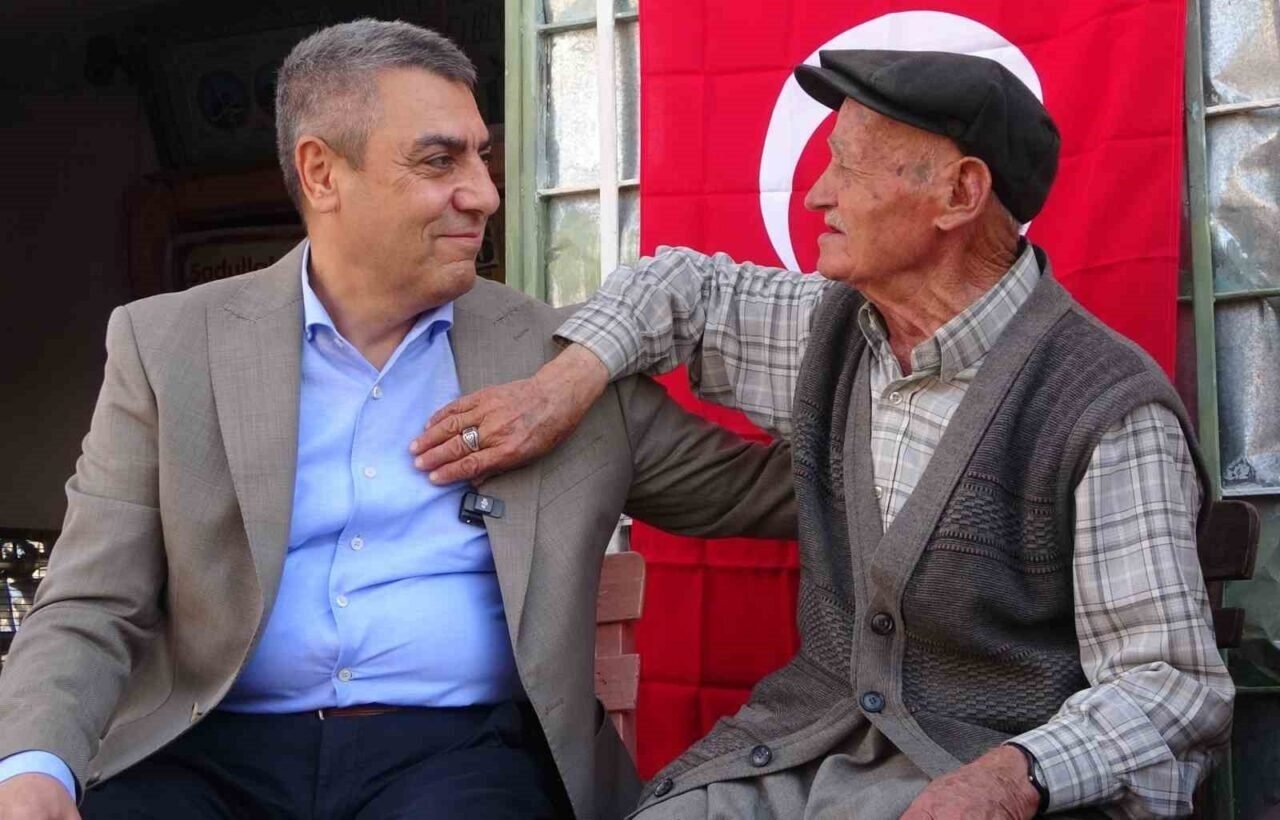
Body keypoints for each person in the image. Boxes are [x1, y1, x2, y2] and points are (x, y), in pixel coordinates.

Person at [0, 20, 796, 820]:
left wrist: (856, 340)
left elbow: (787, 491)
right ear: (322, 173)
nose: (483, 193)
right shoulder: (170, 346)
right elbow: (91, 601)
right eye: (439, 161)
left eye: (481, 156)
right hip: (205, 757)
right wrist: (33, 769)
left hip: (458, 760)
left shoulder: (556, 369)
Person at [414, 50, 1234, 819]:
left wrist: (1013, 778)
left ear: (959, 194)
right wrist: (560, 387)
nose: (816, 195)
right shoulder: (834, 330)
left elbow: (1170, 684)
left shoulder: (1104, 409)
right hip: (803, 753)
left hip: (986, 772)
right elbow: (681, 288)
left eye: (851, 166)